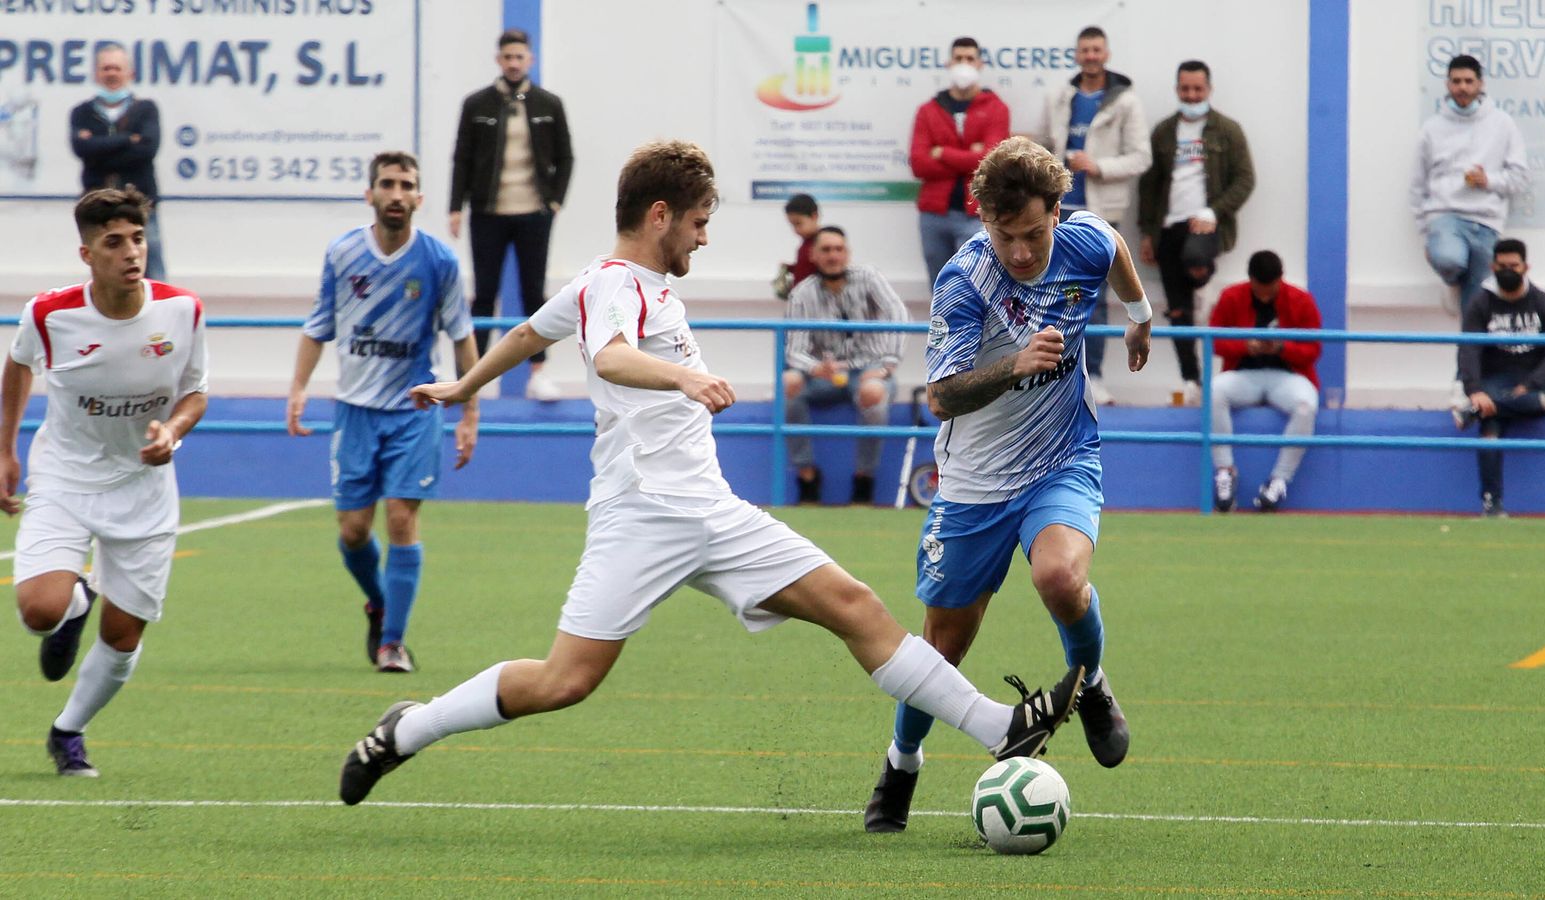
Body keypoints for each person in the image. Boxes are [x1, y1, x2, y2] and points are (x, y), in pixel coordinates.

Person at [339, 140, 1086, 806]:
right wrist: (685, 379)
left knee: (855, 606)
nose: (704, 235)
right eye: (699, 222)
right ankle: (405, 730)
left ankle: (1000, 729)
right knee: (563, 680)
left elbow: (533, 330)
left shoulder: (614, 282)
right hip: (644, 513)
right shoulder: (615, 287)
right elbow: (609, 357)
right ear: (660, 215)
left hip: (712, 510)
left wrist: (464, 387)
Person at [864, 136, 1151, 833]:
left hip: (1061, 459)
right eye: (1004, 235)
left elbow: (1114, 247)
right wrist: (1016, 365)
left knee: (1059, 579)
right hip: (973, 485)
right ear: (983, 220)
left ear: (1058, 211)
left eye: (1032, 233)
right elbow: (942, 395)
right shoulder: (965, 281)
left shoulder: (1082, 241)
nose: (1019, 252)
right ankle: (902, 763)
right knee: (943, 650)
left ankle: (1089, 685)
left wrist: (1140, 318)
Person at [1, 187, 207, 777]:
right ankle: (70, 608)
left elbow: (196, 391)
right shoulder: (50, 314)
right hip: (64, 478)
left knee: (122, 635)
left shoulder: (182, 310)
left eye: (137, 238)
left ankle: (68, 731)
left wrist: (173, 431)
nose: (130, 252)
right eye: (113, 242)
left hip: (142, 491)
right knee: (40, 609)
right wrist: (5, 450)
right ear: (87, 254)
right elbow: (17, 364)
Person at [287, 151, 480, 674]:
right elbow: (318, 325)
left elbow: (463, 340)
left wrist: (469, 412)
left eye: (406, 185)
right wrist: (299, 388)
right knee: (352, 530)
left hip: (413, 409)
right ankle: (379, 602)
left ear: (419, 198)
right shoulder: (344, 252)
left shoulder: (439, 262)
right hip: (354, 411)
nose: (396, 193)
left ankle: (392, 642)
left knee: (401, 518)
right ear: (370, 193)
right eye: (387, 184)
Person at [449, 28, 574, 401]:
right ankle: (471, 376)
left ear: (529, 60)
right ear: (498, 60)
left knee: (534, 293)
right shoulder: (477, 104)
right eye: (508, 57)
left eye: (520, 57)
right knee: (484, 293)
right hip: (488, 212)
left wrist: (554, 202)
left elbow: (566, 156)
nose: (514, 63)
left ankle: (539, 372)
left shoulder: (549, 104)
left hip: (534, 213)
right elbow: (462, 158)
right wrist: (455, 207)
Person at [1044, 25, 1151, 406]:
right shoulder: (1061, 95)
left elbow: (1141, 157)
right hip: (1058, 213)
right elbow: (1047, 142)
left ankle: (1097, 375)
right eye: (1084, 50)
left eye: (1096, 50)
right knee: (1054, 295)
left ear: (1106, 54)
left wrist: (1098, 166)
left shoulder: (1126, 101)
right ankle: (1058, 375)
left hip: (1100, 212)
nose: (1090, 56)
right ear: (1077, 54)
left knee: (1099, 298)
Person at [1138, 60, 1254, 404]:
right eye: (1185, 89)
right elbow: (1149, 185)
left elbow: (1245, 179)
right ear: (1177, 90)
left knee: (1195, 261)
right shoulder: (1163, 132)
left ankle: (1201, 287)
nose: (1191, 95)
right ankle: (1191, 379)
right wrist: (1147, 232)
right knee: (1177, 311)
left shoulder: (1227, 130)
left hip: (1205, 223)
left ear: (1209, 89)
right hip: (1168, 226)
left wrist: (1214, 211)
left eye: (1198, 89)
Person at [783, 226, 909, 505]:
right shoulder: (802, 293)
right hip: (824, 376)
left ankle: (864, 481)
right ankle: (807, 477)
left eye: (839, 249)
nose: (833, 256)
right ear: (814, 255)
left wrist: (888, 365)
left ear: (848, 253)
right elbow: (794, 350)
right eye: (826, 250)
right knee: (788, 383)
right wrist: (817, 368)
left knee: (874, 392)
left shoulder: (869, 277)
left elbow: (899, 315)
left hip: (869, 369)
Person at [1451, 239, 1545, 518]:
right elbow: (1468, 350)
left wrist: (1530, 384)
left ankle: (1476, 411)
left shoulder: (1544, 302)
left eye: (1513, 266)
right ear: (1492, 267)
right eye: (1501, 266)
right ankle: (1492, 504)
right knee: (1490, 428)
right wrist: (1475, 390)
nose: (1507, 271)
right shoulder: (1480, 302)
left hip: (1533, 384)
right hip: (1494, 381)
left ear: (1525, 267)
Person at [1410, 55, 1529, 319]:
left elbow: (1520, 177)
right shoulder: (1432, 128)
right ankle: (1452, 279)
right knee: (1449, 260)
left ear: (1480, 84)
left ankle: (1470, 355)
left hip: (1487, 222)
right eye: (1456, 81)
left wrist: (1489, 180)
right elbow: (1418, 184)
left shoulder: (1502, 124)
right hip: (1445, 216)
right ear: (1447, 85)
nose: (1462, 87)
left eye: (1468, 81)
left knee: (1476, 309)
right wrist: (1425, 231)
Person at [1206, 250, 1322, 513]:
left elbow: (1313, 349)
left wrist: (1282, 348)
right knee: (1213, 391)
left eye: (1271, 289)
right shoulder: (1231, 296)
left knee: (1306, 405)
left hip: (1289, 376)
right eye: (1260, 289)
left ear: (1281, 279)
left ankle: (1279, 480)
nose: (1265, 295)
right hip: (1244, 374)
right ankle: (1225, 471)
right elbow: (1215, 339)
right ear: (1250, 280)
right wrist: (1246, 346)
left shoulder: (1300, 300)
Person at [911, 37, 1011, 290]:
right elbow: (919, 164)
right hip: (934, 215)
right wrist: (969, 154)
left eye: (969, 58)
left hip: (976, 213)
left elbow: (989, 161)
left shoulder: (996, 108)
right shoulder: (928, 110)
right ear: (948, 63)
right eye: (958, 58)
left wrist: (942, 152)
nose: (964, 64)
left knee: (976, 285)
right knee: (940, 287)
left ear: (980, 64)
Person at [70, 44, 165, 281]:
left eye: (117, 68)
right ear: (96, 73)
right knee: (102, 264)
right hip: (97, 202)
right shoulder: (82, 112)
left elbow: (146, 150)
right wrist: (127, 140)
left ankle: (158, 313)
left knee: (149, 263)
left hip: (139, 202)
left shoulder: (145, 109)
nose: (111, 73)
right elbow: (83, 149)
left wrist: (100, 146)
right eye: (106, 68)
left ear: (129, 73)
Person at [773, 193, 820, 300]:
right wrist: (791, 268)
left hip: (814, 300)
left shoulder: (823, 245)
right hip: (800, 297)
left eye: (798, 223)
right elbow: (807, 269)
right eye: (792, 225)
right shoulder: (805, 243)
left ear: (814, 216)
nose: (795, 230)